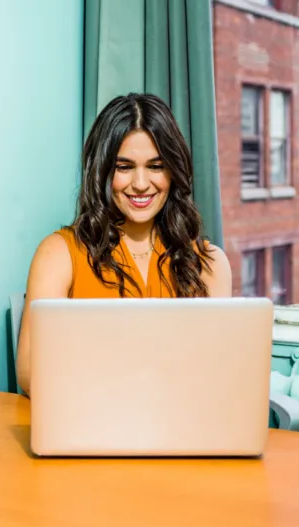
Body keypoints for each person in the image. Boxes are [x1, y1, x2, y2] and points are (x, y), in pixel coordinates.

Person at [16, 93, 233, 396]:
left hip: (181, 430)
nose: (141, 184)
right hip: (89, 424)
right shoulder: (58, 253)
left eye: (156, 166)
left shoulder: (209, 263)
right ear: (103, 171)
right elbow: (29, 374)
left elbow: (217, 373)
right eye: (124, 167)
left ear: (173, 171)